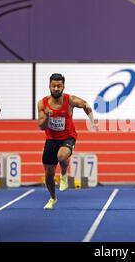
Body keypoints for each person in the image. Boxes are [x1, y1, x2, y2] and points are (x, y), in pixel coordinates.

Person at [38, 73, 97, 210]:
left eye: (59, 86)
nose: (56, 88)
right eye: (54, 86)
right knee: (48, 175)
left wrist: (92, 120)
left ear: (63, 86)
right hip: (51, 140)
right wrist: (47, 116)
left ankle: (64, 173)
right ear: (49, 86)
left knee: (61, 156)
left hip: (68, 137)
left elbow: (85, 105)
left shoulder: (69, 100)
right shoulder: (42, 103)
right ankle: (53, 198)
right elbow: (41, 127)